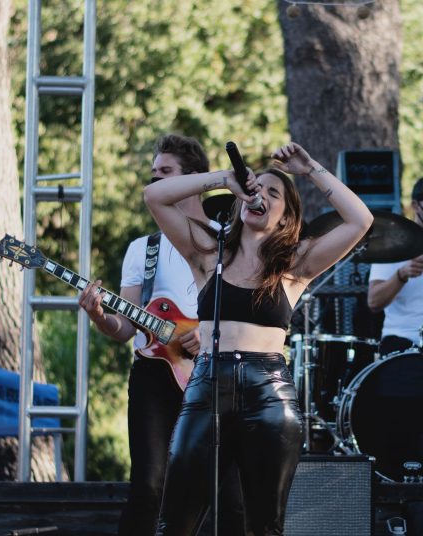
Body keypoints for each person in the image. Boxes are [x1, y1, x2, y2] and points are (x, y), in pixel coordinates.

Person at [144, 141, 373, 536]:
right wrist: (225, 179)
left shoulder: (296, 264)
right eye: (255, 188)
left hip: (269, 392)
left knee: (264, 526)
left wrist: (309, 168)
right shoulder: (208, 253)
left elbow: (360, 220)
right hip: (208, 386)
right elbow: (155, 196)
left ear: (286, 218)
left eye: (273, 193)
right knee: (176, 520)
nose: (259, 195)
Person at [77, 134, 247, 536]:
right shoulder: (143, 249)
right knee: (149, 486)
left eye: (165, 173)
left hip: (215, 373)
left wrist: (209, 335)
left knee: (230, 493)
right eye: (153, 173)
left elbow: (253, 314)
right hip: (154, 374)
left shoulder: (229, 241)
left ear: (193, 179)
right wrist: (99, 316)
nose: (155, 181)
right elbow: (125, 328)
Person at [367, 175, 423, 355]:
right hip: (402, 338)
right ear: (416, 206)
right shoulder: (391, 247)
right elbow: (374, 302)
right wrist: (401, 275)